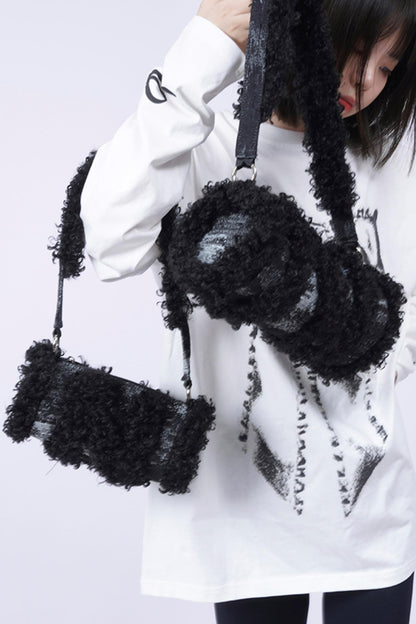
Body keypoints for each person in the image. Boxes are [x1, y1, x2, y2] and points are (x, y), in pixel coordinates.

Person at [79, 0, 416, 621]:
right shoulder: (198, 143)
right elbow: (109, 239)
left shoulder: (390, 156)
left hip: (372, 514)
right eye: (355, 51)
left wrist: (380, 356)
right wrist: (202, 50)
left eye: (388, 67)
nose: (366, 81)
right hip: (240, 513)